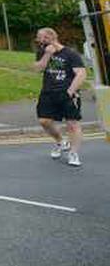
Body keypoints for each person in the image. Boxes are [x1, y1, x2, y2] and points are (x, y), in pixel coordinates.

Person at [32, 27, 87, 167]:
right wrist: (47, 55)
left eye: (41, 37)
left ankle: (73, 154)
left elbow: (81, 74)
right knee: (44, 121)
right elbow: (38, 69)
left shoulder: (70, 54)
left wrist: (70, 91)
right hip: (48, 92)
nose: (39, 40)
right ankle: (61, 141)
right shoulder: (42, 51)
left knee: (72, 124)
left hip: (67, 92)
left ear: (51, 37)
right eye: (39, 37)